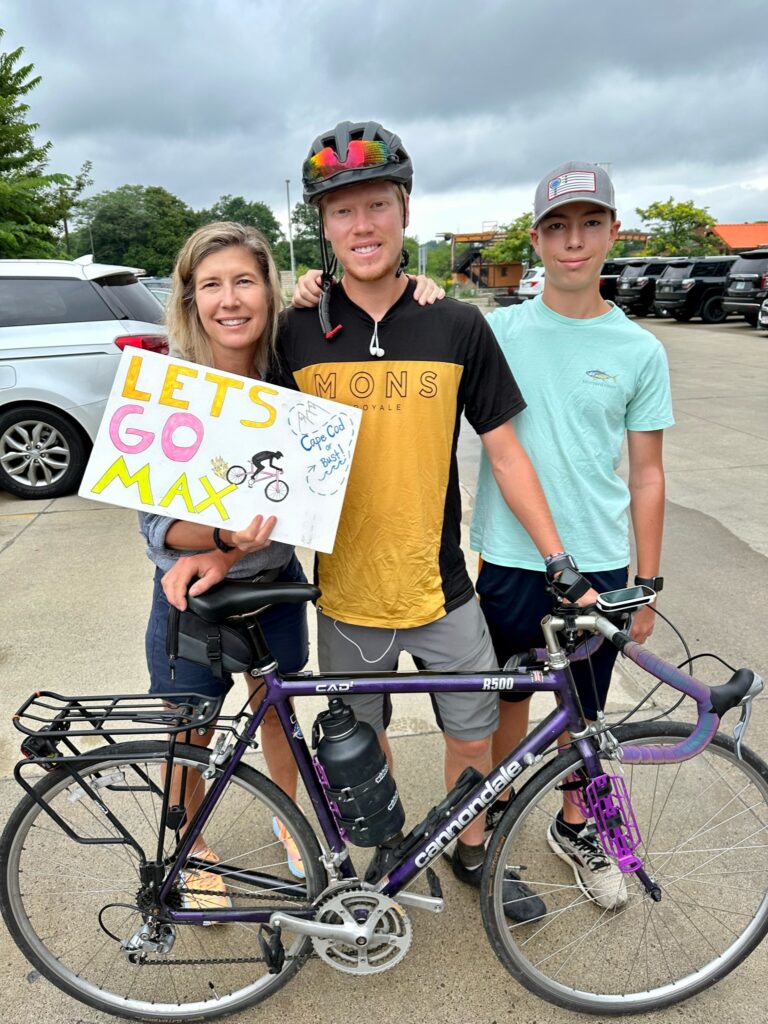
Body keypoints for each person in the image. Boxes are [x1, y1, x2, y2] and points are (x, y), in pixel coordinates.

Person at [162, 121, 591, 922]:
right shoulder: (291, 332)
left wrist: (559, 557)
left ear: (404, 211)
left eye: (377, 206)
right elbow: (250, 464)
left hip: (442, 588)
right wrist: (214, 552)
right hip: (346, 594)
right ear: (322, 229)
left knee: (470, 736)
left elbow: (504, 452)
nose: (361, 226)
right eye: (342, 212)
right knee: (360, 744)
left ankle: (469, 849)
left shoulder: (458, 323)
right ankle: (396, 848)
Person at [471, 161, 674, 909]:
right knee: (511, 697)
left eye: (590, 224)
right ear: (536, 239)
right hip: (511, 556)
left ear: (613, 233)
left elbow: (647, 474)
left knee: (584, 712)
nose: (574, 241)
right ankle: (491, 811)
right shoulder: (499, 330)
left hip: (601, 561)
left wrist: (646, 582)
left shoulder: (638, 350)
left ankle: (575, 823)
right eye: (557, 226)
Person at [140, 221, 310, 896]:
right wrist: (219, 539)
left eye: (244, 280)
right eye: (211, 284)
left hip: (276, 586)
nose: (229, 299)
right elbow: (155, 524)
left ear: (270, 291)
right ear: (189, 299)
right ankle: (191, 841)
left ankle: (286, 819)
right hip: (192, 598)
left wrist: (422, 283)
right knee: (190, 731)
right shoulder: (170, 390)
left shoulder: (291, 378)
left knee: (277, 711)